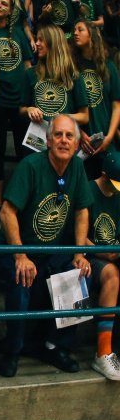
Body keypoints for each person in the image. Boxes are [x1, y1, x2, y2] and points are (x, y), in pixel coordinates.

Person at [0, 114, 92, 377]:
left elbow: (82, 210)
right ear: (48, 141)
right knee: (21, 281)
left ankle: (55, 347)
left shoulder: (77, 168)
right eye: (58, 135)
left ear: (76, 143)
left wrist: (80, 253)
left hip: (52, 249)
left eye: (69, 136)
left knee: (78, 275)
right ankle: (12, 350)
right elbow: (7, 212)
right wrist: (20, 256)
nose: (63, 140)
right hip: (15, 249)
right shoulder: (31, 166)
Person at [0, 0, 34, 204]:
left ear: (10, 9)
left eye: (3, 3)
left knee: (24, 151)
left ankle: (20, 199)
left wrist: (30, 97)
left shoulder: (19, 34)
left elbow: (28, 67)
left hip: (19, 101)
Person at [85, 152, 120, 380]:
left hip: (115, 252)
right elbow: (78, 235)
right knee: (112, 276)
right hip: (90, 255)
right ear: (104, 174)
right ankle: (103, 352)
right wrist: (101, 251)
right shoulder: (88, 190)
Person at [71, 19, 120, 175]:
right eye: (74, 30)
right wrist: (79, 133)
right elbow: (68, 106)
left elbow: (117, 106)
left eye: (80, 30)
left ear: (91, 35)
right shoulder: (72, 67)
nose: (75, 33)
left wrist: (110, 137)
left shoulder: (109, 67)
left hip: (106, 137)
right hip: (81, 141)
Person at [21, 24, 88, 128]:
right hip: (37, 139)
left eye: (41, 40)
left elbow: (84, 116)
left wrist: (61, 118)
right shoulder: (30, 73)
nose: (37, 43)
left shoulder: (73, 75)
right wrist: (29, 110)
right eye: (36, 40)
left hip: (63, 138)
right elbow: (21, 109)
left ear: (53, 43)